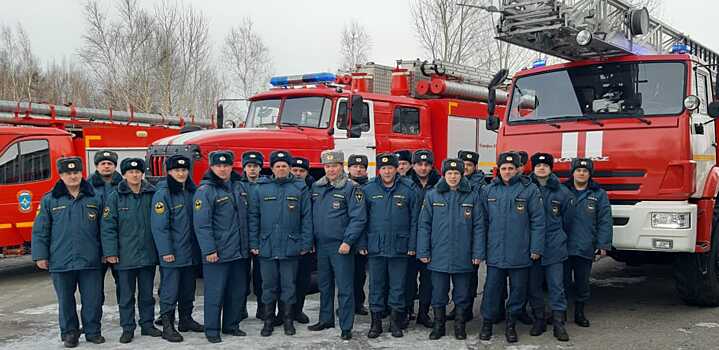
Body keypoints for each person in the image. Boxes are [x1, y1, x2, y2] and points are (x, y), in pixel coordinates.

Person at [32, 157, 105, 348]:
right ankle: (70, 333)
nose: (73, 176)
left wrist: (107, 252)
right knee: (65, 301)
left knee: (93, 299)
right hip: (60, 260)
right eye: (68, 173)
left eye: (76, 173)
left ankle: (93, 331)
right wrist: (40, 255)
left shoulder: (95, 198)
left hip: (91, 259)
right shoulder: (50, 199)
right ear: (61, 175)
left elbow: (105, 229)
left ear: (82, 173)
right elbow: (40, 230)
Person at [478, 152, 545, 343]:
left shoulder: (529, 190)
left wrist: (536, 248)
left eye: (511, 168)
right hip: (496, 252)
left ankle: (510, 325)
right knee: (491, 290)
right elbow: (482, 223)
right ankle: (487, 324)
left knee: (517, 292)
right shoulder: (489, 190)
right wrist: (481, 250)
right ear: (498, 170)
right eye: (504, 168)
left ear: (518, 169)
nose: (507, 171)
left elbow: (538, 222)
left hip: (520, 252)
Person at [249, 150, 313, 337]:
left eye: (284, 166)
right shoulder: (261, 188)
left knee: (288, 286)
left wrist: (305, 244)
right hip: (266, 245)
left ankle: (287, 320)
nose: (281, 169)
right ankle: (268, 321)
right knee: (268, 286)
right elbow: (253, 218)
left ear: (289, 168)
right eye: (278, 166)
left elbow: (306, 218)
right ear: (272, 168)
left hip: (291, 245)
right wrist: (254, 242)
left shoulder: (300, 188)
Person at [417, 158, 482, 340]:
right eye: (449, 173)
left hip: (464, 255)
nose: (453, 176)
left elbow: (478, 226)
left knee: (462, 294)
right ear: (444, 175)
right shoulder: (432, 195)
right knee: (438, 293)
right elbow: (424, 226)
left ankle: (460, 326)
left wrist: (478, 252)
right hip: (439, 255)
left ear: (462, 175)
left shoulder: (472, 196)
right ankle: (439, 326)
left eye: (456, 173)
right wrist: (423, 251)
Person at [308, 150, 367, 340]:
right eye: (327, 166)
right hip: (321, 245)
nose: (331, 169)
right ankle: (325, 319)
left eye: (334, 166)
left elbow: (358, 218)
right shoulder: (317, 187)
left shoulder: (351, 188)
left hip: (341, 246)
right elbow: (310, 216)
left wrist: (348, 241)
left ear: (341, 166)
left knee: (344, 287)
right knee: (324, 285)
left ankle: (346, 325)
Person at [193, 150, 250, 343]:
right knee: (215, 293)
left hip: (239, 252)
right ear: (212, 167)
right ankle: (212, 330)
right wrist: (209, 250)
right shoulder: (205, 191)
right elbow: (202, 225)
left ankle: (231, 325)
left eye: (226, 165)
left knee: (236, 292)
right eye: (219, 165)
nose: (223, 169)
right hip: (217, 253)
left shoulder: (238, 186)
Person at [101, 158, 160, 343]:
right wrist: (110, 252)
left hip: (147, 255)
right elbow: (108, 226)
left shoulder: (152, 193)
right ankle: (127, 328)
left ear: (142, 174)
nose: (134, 175)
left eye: (138, 172)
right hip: (124, 257)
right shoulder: (115, 196)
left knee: (147, 294)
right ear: (124, 174)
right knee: (126, 296)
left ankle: (147, 325)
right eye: (130, 172)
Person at [362, 153, 419, 338]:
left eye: (391, 168)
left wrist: (412, 245)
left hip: (400, 247)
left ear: (397, 169)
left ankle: (395, 322)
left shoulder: (409, 189)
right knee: (376, 286)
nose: (387, 171)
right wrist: (362, 243)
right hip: (375, 247)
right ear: (379, 169)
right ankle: (376, 323)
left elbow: (415, 221)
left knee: (398, 286)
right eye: (384, 168)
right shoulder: (369, 189)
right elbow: (361, 219)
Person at [151, 155, 204, 343]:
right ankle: (167, 324)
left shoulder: (192, 191)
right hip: (172, 253)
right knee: (170, 290)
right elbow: (159, 226)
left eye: (184, 170)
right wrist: (166, 252)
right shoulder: (163, 193)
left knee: (188, 288)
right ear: (169, 172)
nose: (181, 173)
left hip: (190, 252)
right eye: (176, 170)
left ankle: (186, 320)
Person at [527, 153, 572, 341]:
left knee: (556, 286)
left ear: (551, 169)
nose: (542, 168)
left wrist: (560, 238)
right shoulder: (526, 189)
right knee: (534, 286)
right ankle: (539, 319)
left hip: (554, 246)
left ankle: (559, 323)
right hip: (530, 247)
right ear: (534, 168)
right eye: (538, 165)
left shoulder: (562, 192)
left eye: (545, 166)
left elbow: (568, 221)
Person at [563, 158, 612, 328]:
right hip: (563, 247)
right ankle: (560, 313)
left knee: (582, 283)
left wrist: (603, 245)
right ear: (573, 173)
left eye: (585, 171)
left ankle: (579, 313)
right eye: (578, 170)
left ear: (590, 174)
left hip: (585, 246)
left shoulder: (599, 194)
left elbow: (605, 221)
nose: (581, 173)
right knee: (562, 282)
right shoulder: (562, 191)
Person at [403, 149, 440, 328]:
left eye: (427, 165)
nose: (423, 168)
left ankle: (424, 313)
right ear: (413, 165)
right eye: (419, 164)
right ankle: (407, 310)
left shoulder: (440, 184)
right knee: (407, 279)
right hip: (409, 240)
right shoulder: (404, 183)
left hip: (432, 242)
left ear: (432, 166)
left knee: (428, 281)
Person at [88, 151, 122, 309]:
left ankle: (127, 322)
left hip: (120, 245)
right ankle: (93, 324)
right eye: (103, 163)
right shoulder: (86, 187)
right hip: (95, 246)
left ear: (115, 166)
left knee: (124, 286)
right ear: (97, 166)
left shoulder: (124, 185)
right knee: (93, 290)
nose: (106, 166)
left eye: (110, 163)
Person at [239, 151, 268, 322]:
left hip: (261, 235)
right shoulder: (237, 185)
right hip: (241, 236)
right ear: (244, 168)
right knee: (241, 276)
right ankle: (240, 307)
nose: (252, 170)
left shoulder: (266, 184)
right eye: (249, 166)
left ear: (260, 168)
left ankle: (262, 308)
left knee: (261, 275)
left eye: (255, 166)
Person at [289, 156, 316, 324]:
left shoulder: (316, 189)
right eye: (295, 170)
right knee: (286, 280)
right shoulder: (284, 186)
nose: (298, 174)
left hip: (308, 242)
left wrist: (311, 241)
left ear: (307, 172)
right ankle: (285, 312)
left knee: (303, 279)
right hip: (289, 241)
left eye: (302, 171)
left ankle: (298, 310)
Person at [348, 154, 370, 316]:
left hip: (364, 238)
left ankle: (359, 303)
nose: (358, 169)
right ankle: (346, 304)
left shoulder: (370, 187)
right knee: (345, 275)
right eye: (355, 166)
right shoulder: (343, 185)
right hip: (345, 238)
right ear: (348, 168)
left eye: (362, 167)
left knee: (360, 274)